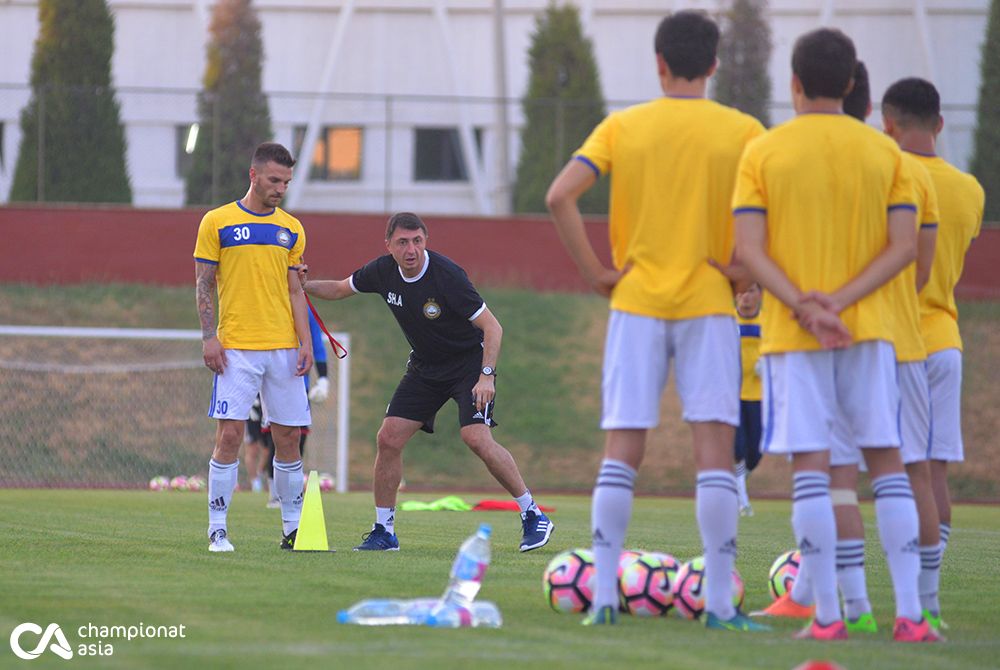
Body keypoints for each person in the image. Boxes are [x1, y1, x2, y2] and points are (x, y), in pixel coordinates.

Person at [545, 10, 767, 630]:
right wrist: (742, 271)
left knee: (622, 451)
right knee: (714, 455)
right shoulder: (744, 130)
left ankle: (607, 599)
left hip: (636, 302)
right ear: (715, 66)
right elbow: (769, 210)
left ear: (659, 64)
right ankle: (720, 605)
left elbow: (560, 195)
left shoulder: (625, 126)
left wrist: (595, 272)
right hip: (708, 302)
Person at [733, 29, 938, 642]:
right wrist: (841, 304)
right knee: (889, 465)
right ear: (853, 86)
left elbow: (748, 250)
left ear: (794, 84)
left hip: (795, 338)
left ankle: (826, 619)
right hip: (867, 332)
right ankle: (912, 617)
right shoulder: (890, 157)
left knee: (813, 474)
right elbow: (904, 249)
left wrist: (803, 306)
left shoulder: (764, 152)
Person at [301, 212, 553, 553]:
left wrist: (486, 377)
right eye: (403, 242)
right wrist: (302, 286)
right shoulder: (381, 271)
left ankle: (533, 514)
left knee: (475, 437)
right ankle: (384, 531)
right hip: (425, 368)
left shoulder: (447, 276)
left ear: (425, 241)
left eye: (417, 241)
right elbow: (340, 288)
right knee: (388, 439)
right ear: (388, 245)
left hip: (468, 365)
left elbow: (493, 328)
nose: (411, 249)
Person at [882, 77, 984, 629]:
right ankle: (930, 596)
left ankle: (901, 603)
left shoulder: (890, 179)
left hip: (899, 339)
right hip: (946, 339)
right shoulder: (971, 190)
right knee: (935, 475)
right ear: (940, 124)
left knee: (899, 475)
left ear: (887, 124)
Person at [193, 142, 313, 553]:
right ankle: (217, 529)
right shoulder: (217, 221)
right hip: (237, 349)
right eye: (274, 180)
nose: (281, 188)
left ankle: (294, 529)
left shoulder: (293, 229)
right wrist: (210, 337)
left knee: (289, 438)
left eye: (286, 182)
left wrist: (305, 343)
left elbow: (296, 291)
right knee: (230, 436)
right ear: (254, 175)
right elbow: (203, 284)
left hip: (283, 349)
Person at [734, 283, 763, 518]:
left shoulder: (768, 324)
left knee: (756, 450)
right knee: (737, 448)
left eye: (751, 291)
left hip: (759, 395)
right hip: (732, 394)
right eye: (742, 291)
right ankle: (742, 501)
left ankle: (738, 481)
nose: (746, 297)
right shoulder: (728, 322)